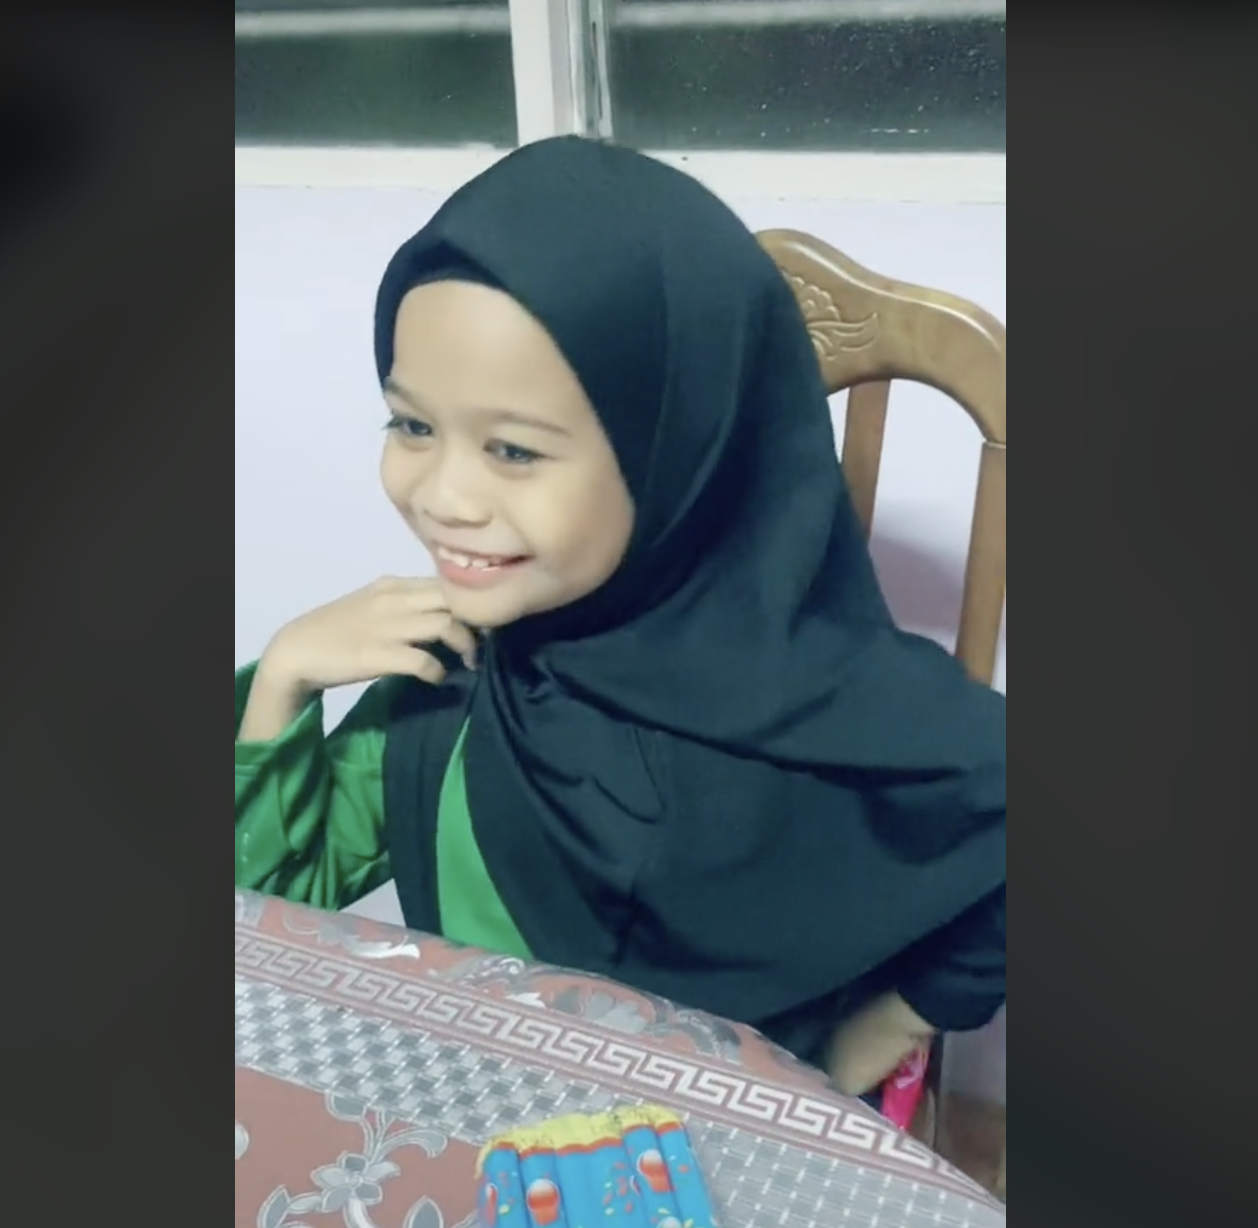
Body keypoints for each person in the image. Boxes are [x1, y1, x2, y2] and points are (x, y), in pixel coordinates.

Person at [235, 136, 1006, 1099]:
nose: (442, 498)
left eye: (514, 450)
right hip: (498, 1120)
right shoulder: (461, 676)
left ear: (675, 453)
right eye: (413, 425)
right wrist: (283, 679)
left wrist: (889, 1023)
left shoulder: (839, 716)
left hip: (739, 1137)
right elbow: (278, 922)